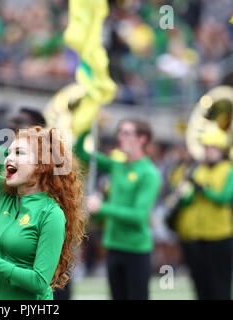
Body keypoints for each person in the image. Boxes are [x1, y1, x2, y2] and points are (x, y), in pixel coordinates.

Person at [0, 72, 87, 300]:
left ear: (42, 165)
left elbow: (39, 282)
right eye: (10, 151)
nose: (7, 159)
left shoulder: (51, 214)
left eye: (19, 153)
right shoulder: (3, 193)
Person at [86, 119, 161, 300]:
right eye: (119, 132)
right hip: (113, 245)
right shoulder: (117, 165)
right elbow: (83, 154)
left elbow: (138, 216)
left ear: (142, 138)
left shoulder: (149, 173)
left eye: (126, 133)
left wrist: (102, 207)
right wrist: (87, 121)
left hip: (136, 249)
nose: (120, 137)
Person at [173, 127, 233, 300]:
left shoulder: (228, 169)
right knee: (200, 283)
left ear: (220, 149)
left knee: (220, 284)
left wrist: (202, 189)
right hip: (197, 236)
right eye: (205, 147)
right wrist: (182, 191)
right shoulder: (197, 169)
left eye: (211, 147)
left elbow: (224, 197)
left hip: (219, 235)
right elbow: (187, 199)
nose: (207, 151)